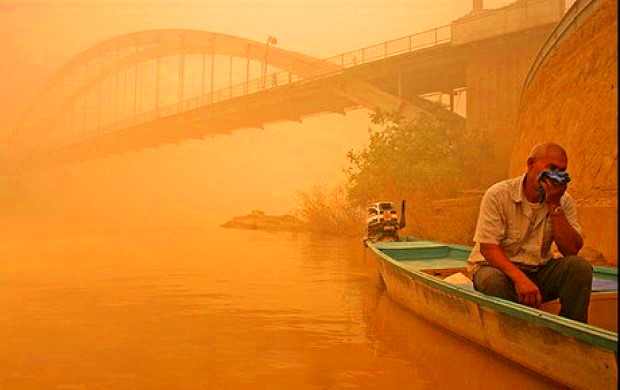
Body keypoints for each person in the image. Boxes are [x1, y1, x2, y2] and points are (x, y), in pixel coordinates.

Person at [468, 142, 592, 323]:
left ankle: (571, 336)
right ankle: (515, 334)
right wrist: (520, 279)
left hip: (539, 271)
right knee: (491, 280)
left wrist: (554, 205)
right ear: (531, 164)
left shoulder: (563, 201)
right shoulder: (498, 194)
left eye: (561, 170)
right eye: (551, 168)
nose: (555, 175)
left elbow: (571, 250)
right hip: (501, 272)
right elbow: (488, 247)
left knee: (579, 268)